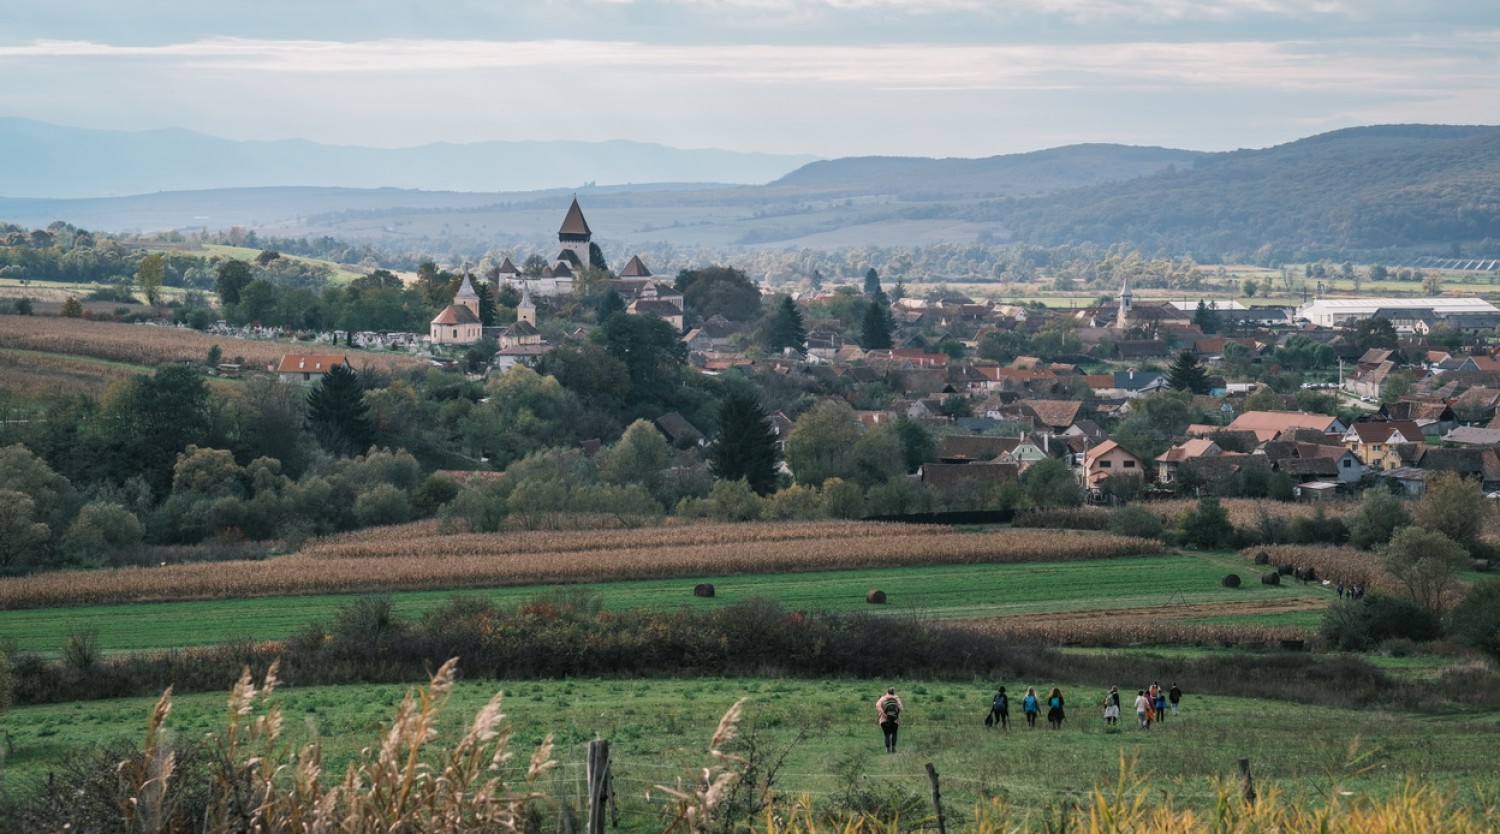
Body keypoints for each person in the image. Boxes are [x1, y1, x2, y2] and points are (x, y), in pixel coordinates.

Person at [876, 688, 903, 753]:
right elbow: (901, 708)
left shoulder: (882, 698)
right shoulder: (896, 698)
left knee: (887, 734)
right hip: (895, 719)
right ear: (894, 692)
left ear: (887, 692)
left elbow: (877, 706)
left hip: (884, 720)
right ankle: (893, 748)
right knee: (894, 733)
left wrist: (884, 714)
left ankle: (888, 749)